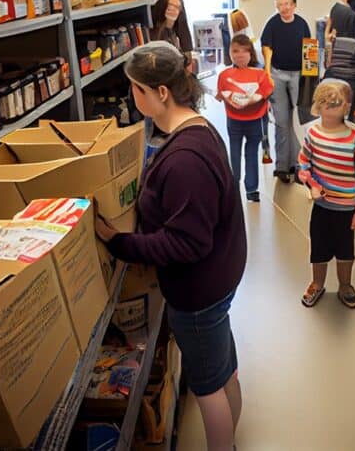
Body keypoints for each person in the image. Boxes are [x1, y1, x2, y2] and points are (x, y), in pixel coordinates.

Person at [94, 41, 245, 451]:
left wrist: (122, 243)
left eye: (136, 90)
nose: (132, 97)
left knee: (208, 385)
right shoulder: (198, 128)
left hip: (199, 290)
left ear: (160, 93)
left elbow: (187, 243)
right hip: (219, 277)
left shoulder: (185, 159)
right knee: (223, 368)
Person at [297, 78, 355, 309]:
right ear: (317, 104)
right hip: (322, 207)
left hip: (346, 208)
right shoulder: (312, 134)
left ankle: (345, 285)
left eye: (337, 102)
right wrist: (311, 184)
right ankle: (317, 283)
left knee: (345, 250)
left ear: (347, 106)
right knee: (318, 248)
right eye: (325, 101)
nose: (330, 106)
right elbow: (303, 165)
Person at [261, 0, 312, 184]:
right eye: (280, 4)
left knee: (299, 120)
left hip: (298, 74)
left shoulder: (301, 24)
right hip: (277, 75)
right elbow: (267, 48)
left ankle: (299, 164)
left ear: (294, 5)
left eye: (287, 4)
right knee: (282, 120)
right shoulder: (272, 24)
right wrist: (267, 74)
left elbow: (310, 49)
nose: (284, 8)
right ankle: (282, 166)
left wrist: (310, 78)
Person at [216, 34, 274, 203]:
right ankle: (233, 185)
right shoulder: (224, 74)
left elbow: (266, 92)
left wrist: (252, 99)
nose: (240, 55)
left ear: (251, 53)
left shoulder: (261, 74)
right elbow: (220, 95)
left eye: (244, 51)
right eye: (235, 51)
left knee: (251, 153)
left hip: (255, 121)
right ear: (230, 53)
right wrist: (229, 98)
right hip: (234, 121)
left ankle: (251, 188)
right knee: (234, 152)